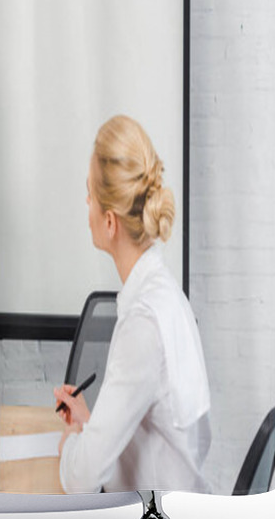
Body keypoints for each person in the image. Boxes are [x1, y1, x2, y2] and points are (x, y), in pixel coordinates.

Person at [54, 115, 211, 493]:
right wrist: (92, 426)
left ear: (109, 222)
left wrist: (71, 441)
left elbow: (81, 480)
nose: (86, 203)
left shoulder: (143, 321)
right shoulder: (163, 294)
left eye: (89, 193)